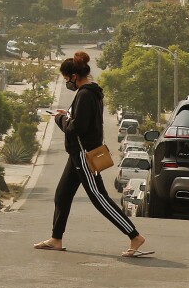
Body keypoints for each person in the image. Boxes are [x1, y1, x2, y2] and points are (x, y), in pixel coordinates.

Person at [33, 51, 153, 257]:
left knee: (99, 198)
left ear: (73, 76)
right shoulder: (90, 93)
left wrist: (60, 120)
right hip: (78, 154)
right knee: (62, 195)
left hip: (84, 155)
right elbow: (81, 120)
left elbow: (76, 128)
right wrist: (67, 115)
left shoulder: (85, 95)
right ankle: (56, 238)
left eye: (66, 79)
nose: (66, 83)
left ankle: (134, 236)